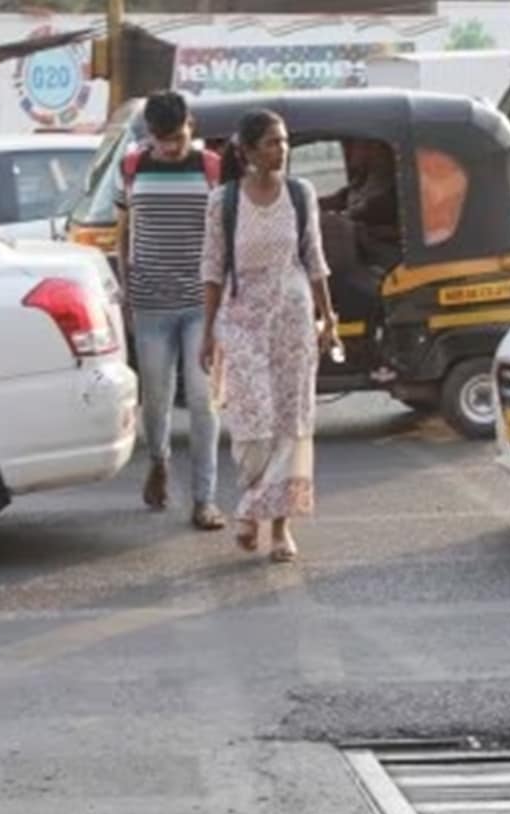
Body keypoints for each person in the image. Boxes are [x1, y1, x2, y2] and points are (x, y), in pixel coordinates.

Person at [200, 110, 339, 563]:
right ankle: (252, 505)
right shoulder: (224, 202)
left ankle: (276, 527)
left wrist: (329, 316)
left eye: (284, 142)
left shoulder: (301, 194)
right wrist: (207, 333)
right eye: (272, 143)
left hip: (292, 319)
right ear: (247, 151)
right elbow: (212, 268)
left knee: (291, 423)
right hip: (241, 321)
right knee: (252, 423)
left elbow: (314, 259)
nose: (282, 150)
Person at [116, 90, 225, 531]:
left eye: (177, 137)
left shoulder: (211, 168)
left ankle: (205, 499)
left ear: (190, 126)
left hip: (201, 304)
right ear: (150, 135)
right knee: (157, 400)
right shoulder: (132, 166)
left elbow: (221, 237)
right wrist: (126, 287)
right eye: (162, 139)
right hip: (149, 304)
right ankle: (159, 461)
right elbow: (122, 232)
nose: (170, 147)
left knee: (203, 402)